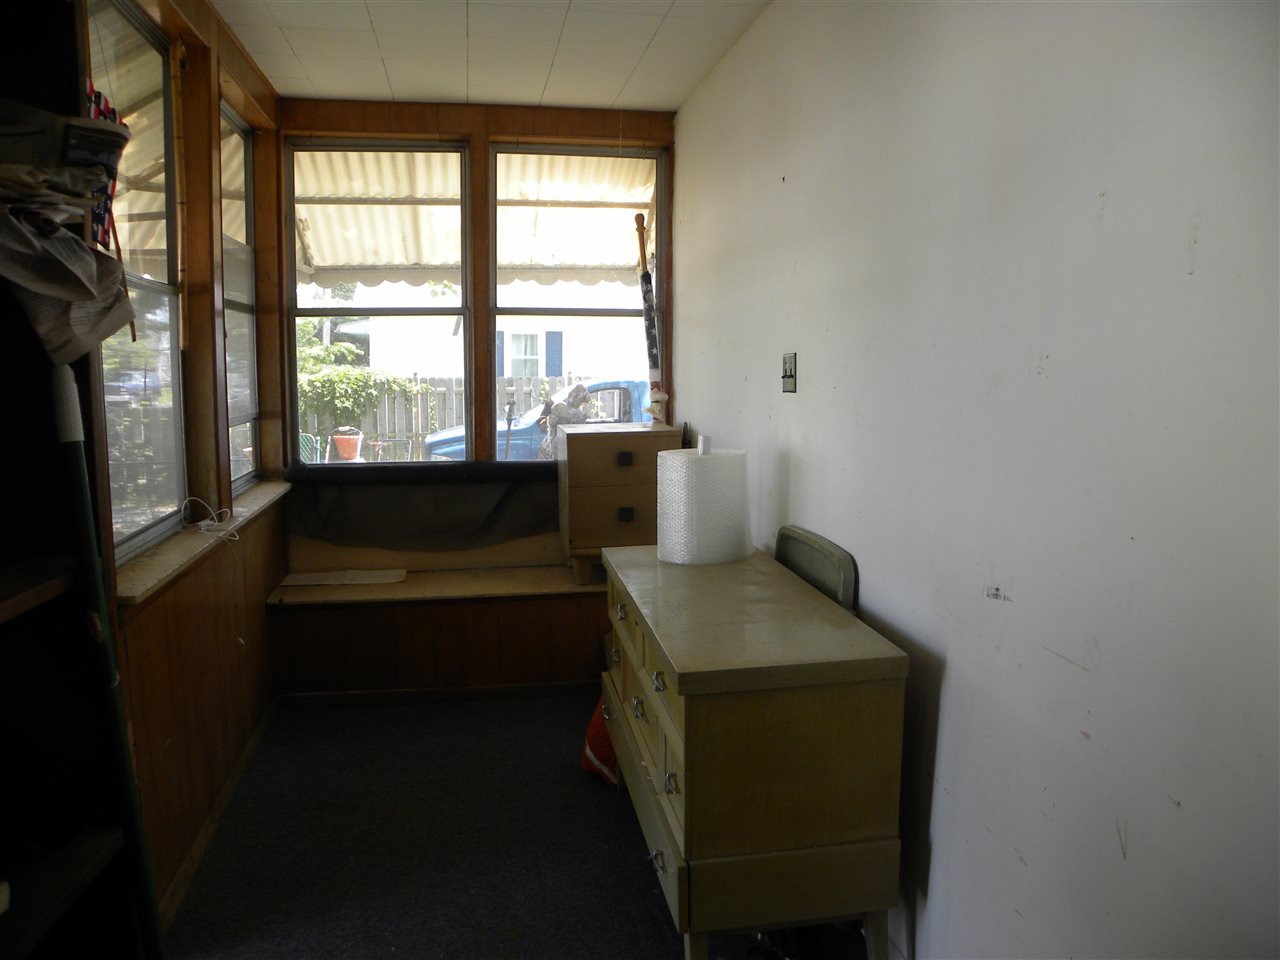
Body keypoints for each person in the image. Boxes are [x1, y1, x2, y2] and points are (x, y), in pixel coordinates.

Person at [538, 382, 592, 459]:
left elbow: (549, 423)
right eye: (573, 393)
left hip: (559, 446)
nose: (572, 396)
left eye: (575, 395)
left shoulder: (563, 408)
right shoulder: (581, 413)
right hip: (557, 446)